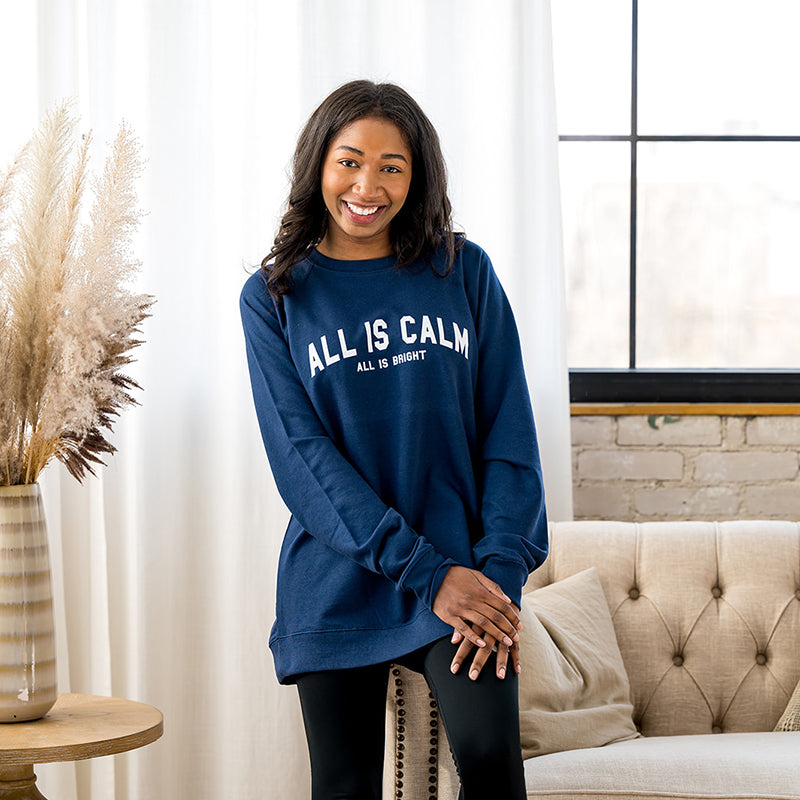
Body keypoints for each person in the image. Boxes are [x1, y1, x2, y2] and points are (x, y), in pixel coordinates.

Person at [240, 79, 547, 800]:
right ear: (318, 165)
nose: (366, 186)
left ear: (418, 176)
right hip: (342, 576)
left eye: (391, 166)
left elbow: (509, 435)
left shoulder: (461, 270)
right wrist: (422, 572)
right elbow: (303, 462)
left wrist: (496, 577)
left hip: (466, 570)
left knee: (493, 763)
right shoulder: (275, 294)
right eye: (349, 161)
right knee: (344, 787)